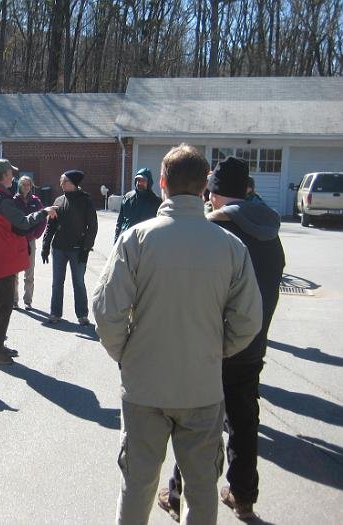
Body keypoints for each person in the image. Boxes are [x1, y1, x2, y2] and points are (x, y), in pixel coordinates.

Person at [92, 144, 263, 525]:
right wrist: (214, 352)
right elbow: (249, 320)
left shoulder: (135, 240)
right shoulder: (231, 248)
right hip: (201, 388)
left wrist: (128, 354)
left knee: (137, 486)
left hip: (144, 387)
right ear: (204, 188)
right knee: (202, 491)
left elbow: (106, 312)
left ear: (163, 184)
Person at [158, 157, 285, 522]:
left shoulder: (218, 231)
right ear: (247, 190)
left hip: (214, 345)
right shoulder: (269, 230)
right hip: (253, 343)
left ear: (213, 193)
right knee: (245, 421)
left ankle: (178, 494)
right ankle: (243, 496)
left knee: (199, 424)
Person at [0, 159, 57, 365]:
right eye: (11, 173)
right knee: (3, 306)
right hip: (3, 260)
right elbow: (22, 224)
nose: (13, 176)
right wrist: (43, 212)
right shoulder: (1, 200)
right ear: (4, 175)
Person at [41, 170, 98, 325]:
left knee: (78, 282)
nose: (62, 184)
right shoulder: (58, 200)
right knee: (57, 282)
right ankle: (55, 313)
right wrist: (45, 245)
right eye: (61, 181)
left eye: (65, 181)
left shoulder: (85, 200)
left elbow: (92, 227)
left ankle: (82, 315)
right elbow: (50, 226)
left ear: (74, 183)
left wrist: (86, 248)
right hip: (58, 248)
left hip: (77, 249)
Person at [13, 175, 46, 310]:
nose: (26, 187)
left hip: (30, 241)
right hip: (16, 241)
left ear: (31, 186)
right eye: (24, 184)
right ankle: (14, 300)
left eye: (28, 184)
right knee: (14, 272)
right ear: (19, 185)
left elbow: (43, 218)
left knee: (29, 272)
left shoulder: (36, 201)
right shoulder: (14, 201)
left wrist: (36, 235)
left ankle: (28, 301)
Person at [114, 167, 162, 243]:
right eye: (138, 180)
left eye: (143, 180)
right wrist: (116, 241)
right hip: (127, 241)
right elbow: (120, 221)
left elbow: (160, 226)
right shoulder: (128, 197)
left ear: (149, 182)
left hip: (146, 243)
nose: (139, 183)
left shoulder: (156, 201)